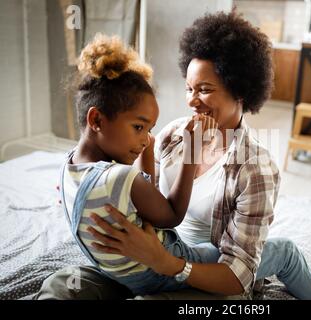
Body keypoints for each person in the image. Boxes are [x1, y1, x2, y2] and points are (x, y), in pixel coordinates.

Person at [35, 11, 311, 300]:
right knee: (63, 284)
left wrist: (166, 263)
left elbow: (236, 274)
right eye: (189, 88)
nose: (191, 100)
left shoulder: (254, 168)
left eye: (204, 89)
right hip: (146, 258)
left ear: (240, 89)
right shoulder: (174, 134)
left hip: (203, 272)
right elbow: (144, 192)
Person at [57, 33, 217, 296]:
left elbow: (139, 204)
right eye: (138, 127)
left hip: (120, 273)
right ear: (96, 119)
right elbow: (171, 216)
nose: (145, 139)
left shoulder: (69, 164)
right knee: (227, 254)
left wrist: (146, 154)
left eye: (149, 130)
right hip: (157, 273)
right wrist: (191, 153)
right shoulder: (120, 177)